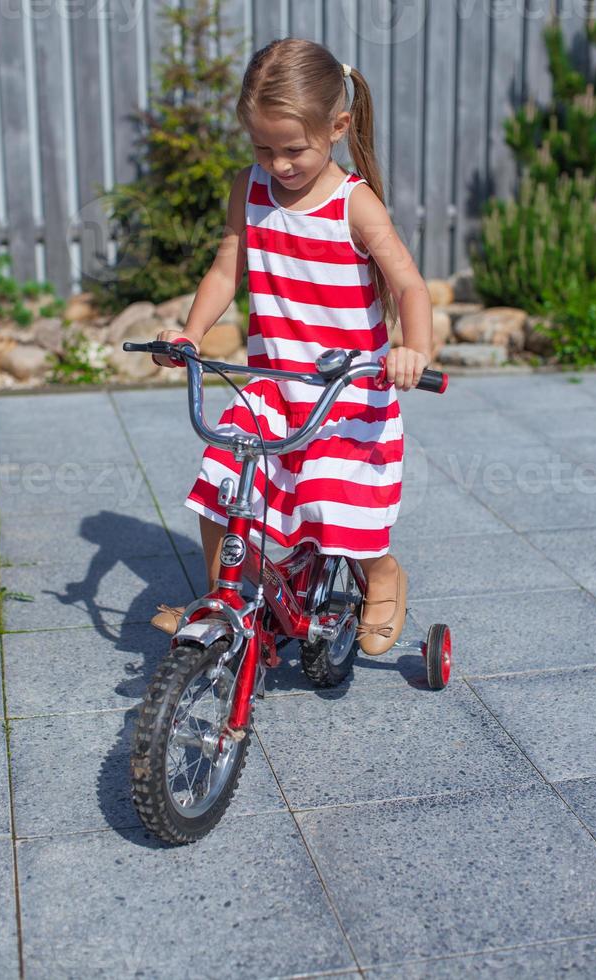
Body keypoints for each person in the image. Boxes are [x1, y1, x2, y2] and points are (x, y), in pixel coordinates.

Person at [151, 37, 432, 656]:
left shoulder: (353, 204)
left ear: (336, 127)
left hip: (346, 392)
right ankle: (226, 602)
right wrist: (190, 333)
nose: (277, 164)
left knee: (335, 506)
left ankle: (382, 574)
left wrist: (415, 349)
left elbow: (409, 284)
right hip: (272, 386)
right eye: (262, 147)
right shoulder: (247, 191)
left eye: (293, 149)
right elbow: (228, 270)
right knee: (220, 484)